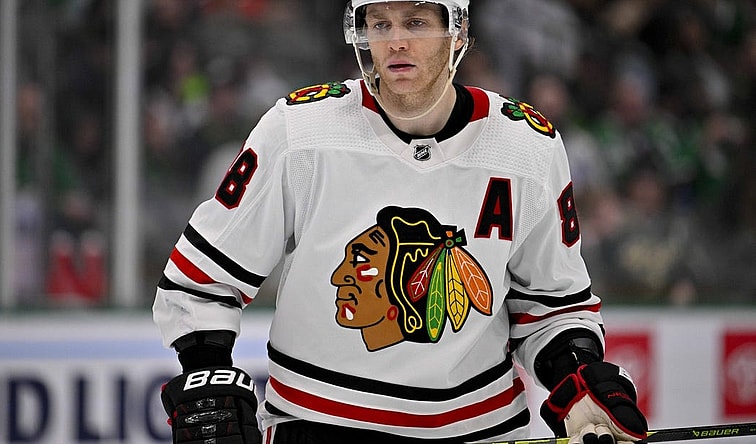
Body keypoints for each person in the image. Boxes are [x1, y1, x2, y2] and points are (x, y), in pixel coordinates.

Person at [153, 1, 648, 443]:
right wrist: (206, 374)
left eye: (415, 22)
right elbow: (200, 281)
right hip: (319, 427)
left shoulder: (525, 148)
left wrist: (579, 380)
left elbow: (552, 307)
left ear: (459, 32)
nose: (396, 41)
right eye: (379, 23)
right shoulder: (300, 131)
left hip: (481, 430)